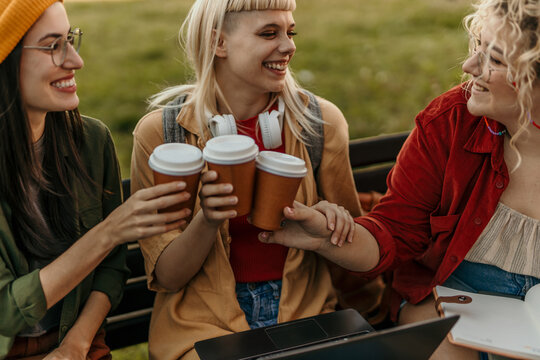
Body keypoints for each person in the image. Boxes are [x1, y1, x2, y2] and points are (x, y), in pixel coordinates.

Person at [261, 0, 540, 358]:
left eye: (495, 60)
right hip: (450, 303)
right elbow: (394, 232)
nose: (470, 66)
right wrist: (325, 238)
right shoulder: (449, 125)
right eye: (478, 48)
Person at [129, 0, 365, 358]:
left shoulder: (320, 123)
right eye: (269, 33)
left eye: (290, 31)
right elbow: (168, 276)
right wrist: (208, 219)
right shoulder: (162, 137)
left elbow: (356, 253)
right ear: (217, 43)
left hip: (306, 320)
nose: (288, 45)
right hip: (202, 333)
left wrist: (330, 227)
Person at [0, 1, 193, 359]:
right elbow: (5, 312)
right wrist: (108, 232)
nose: (75, 60)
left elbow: (111, 266)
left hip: (82, 343)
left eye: (70, 39)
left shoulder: (90, 141)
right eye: (52, 45)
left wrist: (76, 344)